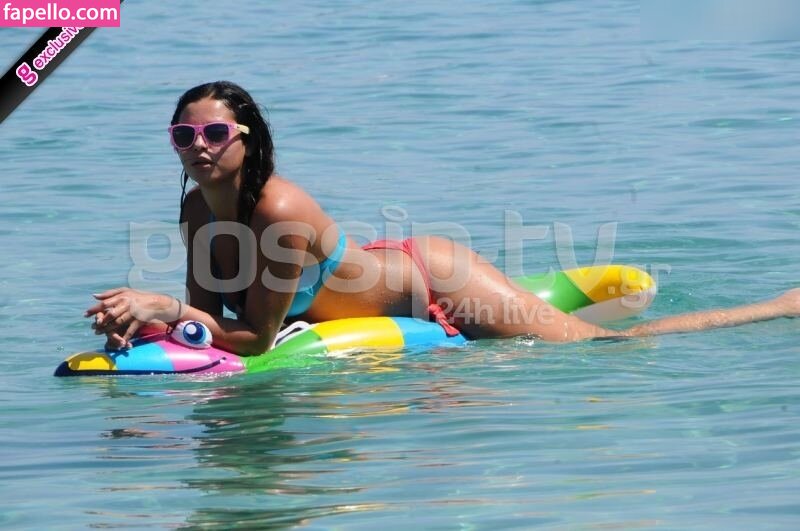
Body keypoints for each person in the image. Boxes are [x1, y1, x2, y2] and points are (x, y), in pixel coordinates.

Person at [86, 81, 800, 355]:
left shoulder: (280, 210)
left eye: (215, 133)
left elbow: (254, 340)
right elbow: (210, 317)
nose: (199, 146)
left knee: (611, 346)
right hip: (377, 274)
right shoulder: (196, 210)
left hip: (436, 284)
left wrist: (165, 307)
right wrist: (151, 324)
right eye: (184, 136)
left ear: (248, 140)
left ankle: (778, 305)